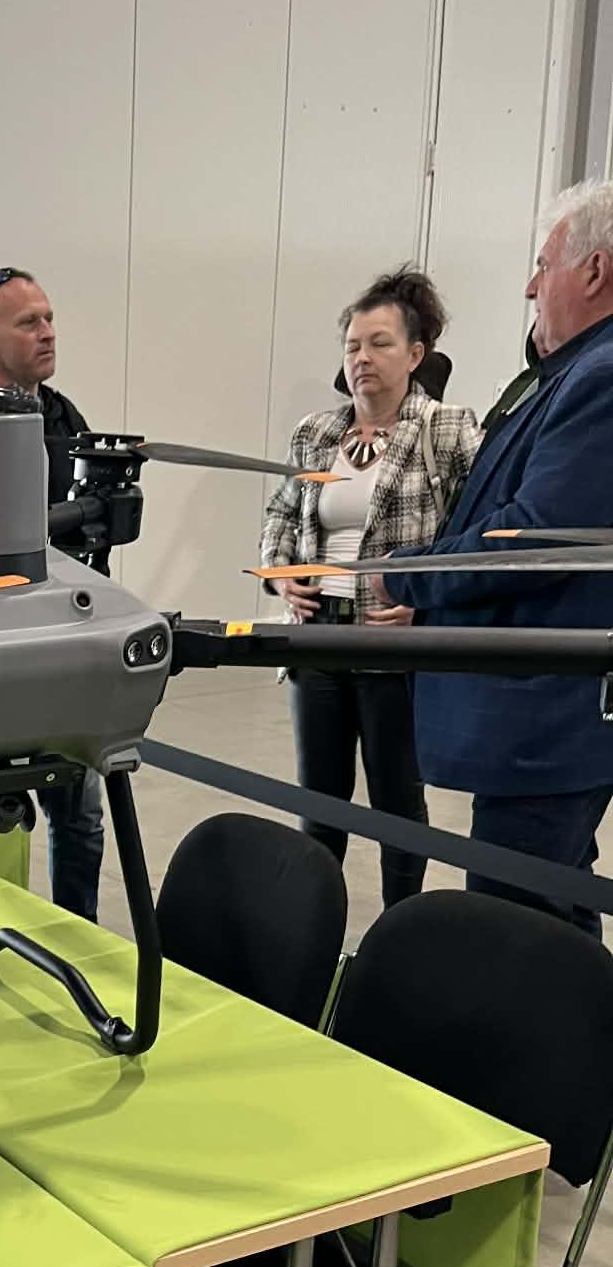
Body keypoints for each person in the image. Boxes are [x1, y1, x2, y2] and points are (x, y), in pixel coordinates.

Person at [377, 180, 613, 936]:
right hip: (546, 719)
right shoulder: (573, 372)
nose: (530, 287)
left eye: (543, 265)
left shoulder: (600, 377)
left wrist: (411, 574)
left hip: (548, 719)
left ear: (594, 271)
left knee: (514, 925)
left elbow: (535, 539)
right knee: (556, 909)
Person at [262, 268, 481, 908]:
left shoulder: (446, 429)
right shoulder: (315, 433)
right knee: (319, 803)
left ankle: (400, 931)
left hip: (395, 642)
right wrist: (282, 577)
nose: (362, 357)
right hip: (317, 638)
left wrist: (429, 602)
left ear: (415, 354)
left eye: (380, 343)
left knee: (397, 807)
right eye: (352, 345)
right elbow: (280, 516)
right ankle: (310, 929)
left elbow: (479, 529)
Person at [0, 265, 105, 920]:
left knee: (80, 814)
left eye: (49, 318)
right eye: (29, 322)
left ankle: (80, 933)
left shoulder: (64, 416)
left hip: (63, 641)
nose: (48, 332)